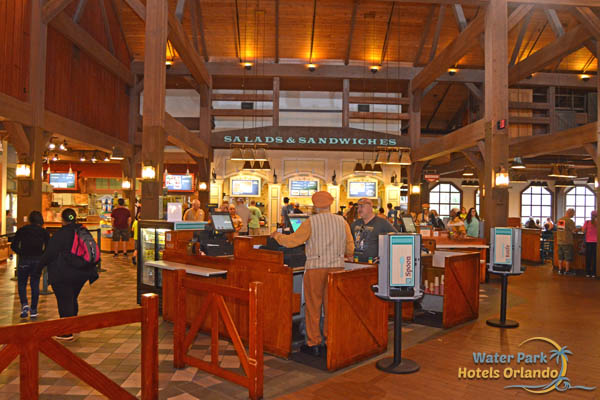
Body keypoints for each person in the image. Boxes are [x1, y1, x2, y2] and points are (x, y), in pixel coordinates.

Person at [270, 191, 354, 357]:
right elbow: (350, 246)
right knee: (332, 307)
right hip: (336, 268)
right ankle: (331, 340)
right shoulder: (341, 221)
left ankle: (314, 342)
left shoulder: (311, 222)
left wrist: (277, 235)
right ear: (331, 203)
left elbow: (293, 241)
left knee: (313, 307)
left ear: (315, 206)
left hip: (315, 268)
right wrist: (344, 253)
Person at [36, 209, 99, 341]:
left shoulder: (60, 234)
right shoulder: (82, 231)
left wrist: (38, 268)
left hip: (63, 274)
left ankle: (66, 332)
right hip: (82, 272)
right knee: (71, 297)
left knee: (65, 300)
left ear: (63, 220)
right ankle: (74, 326)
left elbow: (49, 254)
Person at [11, 211, 49, 319]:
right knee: (35, 285)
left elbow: (13, 246)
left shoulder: (22, 230)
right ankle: (34, 310)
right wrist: (42, 256)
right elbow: (48, 247)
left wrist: (21, 253)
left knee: (22, 283)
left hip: (24, 260)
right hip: (37, 261)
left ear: (29, 219)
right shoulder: (43, 232)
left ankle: (24, 304)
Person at [351, 198, 397, 262]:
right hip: (356, 264)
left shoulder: (382, 223)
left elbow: (396, 240)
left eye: (362, 206)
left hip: (374, 266)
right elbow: (349, 242)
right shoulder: (354, 224)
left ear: (370, 207)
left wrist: (384, 256)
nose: (359, 210)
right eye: (358, 207)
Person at [556, 208, 576, 275]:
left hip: (560, 240)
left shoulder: (560, 220)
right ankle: (567, 271)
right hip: (567, 241)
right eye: (573, 214)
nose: (574, 215)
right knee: (568, 256)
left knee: (560, 256)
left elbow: (561, 230)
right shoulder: (570, 221)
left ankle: (560, 269)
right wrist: (579, 229)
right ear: (570, 213)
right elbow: (573, 230)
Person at [582, 210, 597, 278]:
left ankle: (588, 273)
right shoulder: (598, 223)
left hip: (588, 242)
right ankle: (594, 273)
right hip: (596, 243)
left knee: (588, 258)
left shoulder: (587, 222)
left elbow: (583, 230)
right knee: (595, 258)